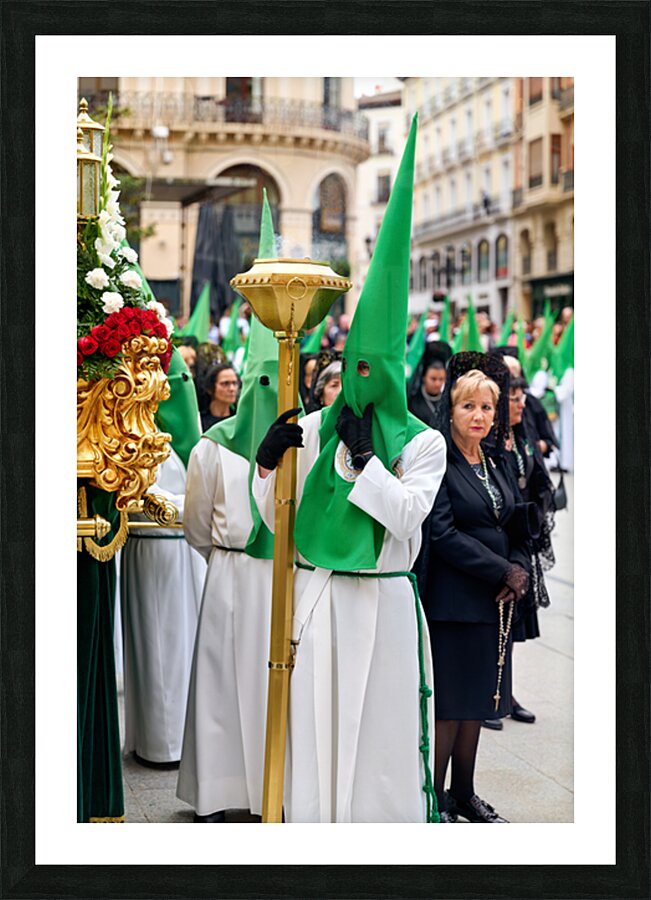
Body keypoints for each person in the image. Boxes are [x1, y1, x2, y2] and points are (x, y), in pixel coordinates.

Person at [254, 115, 447, 823]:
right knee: (317, 733)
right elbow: (276, 511)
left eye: (372, 371)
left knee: (380, 746)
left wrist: (367, 460)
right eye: (349, 369)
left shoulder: (423, 444)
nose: (359, 383)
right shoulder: (313, 427)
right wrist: (267, 462)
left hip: (384, 600)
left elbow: (407, 516)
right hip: (321, 596)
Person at [177, 191, 279, 823]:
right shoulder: (212, 446)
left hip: (280, 579)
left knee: (272, 685)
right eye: (254, 384)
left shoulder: (298, 445)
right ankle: (218, 793)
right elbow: (195, 522)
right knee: (220, 684)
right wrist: (225, 554)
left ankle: (269, 787)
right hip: (230, 573)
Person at [414, 353, 531, 823]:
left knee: (477, 704)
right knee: (449, 707)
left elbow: (517, 522)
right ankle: (436, 799)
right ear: (451, 409)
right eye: (468, 407)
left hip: (491, 602)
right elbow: (442, 534)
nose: (479, 416)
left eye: (486, 407)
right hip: (453, 600)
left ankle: (464, 793)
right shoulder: (438, 460)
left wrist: (519, 567)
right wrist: (502, 570)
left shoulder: (495, 460)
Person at [120, 351, 206, 765]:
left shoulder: (194, 438)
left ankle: (178, 738)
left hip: (187, 547)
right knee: (159, 643)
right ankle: (160, 743)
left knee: (182, 645)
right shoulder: (138, 434)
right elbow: (140, 495)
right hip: (153, 545)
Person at [482, 374, 556, 731]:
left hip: (521, 539)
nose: (521, 404)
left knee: (511, 626)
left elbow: (536, 474)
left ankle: (504, 692)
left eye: (522, 397)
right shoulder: (490, 441)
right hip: (499, 540)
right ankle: (487, 695)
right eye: (513, 398)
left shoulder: (522, 434)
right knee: (493, 624)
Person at [199, 362, 239, 431]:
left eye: (234, 383)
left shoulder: (239, 421)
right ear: (210, 388)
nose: (232, 389)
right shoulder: (199, 423)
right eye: (225, 383)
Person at [408, 360, 446, 427]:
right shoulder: (413, 404)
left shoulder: (447, 401)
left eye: (441, 379)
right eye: (433, 379)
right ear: (424, 378)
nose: (437, 384)